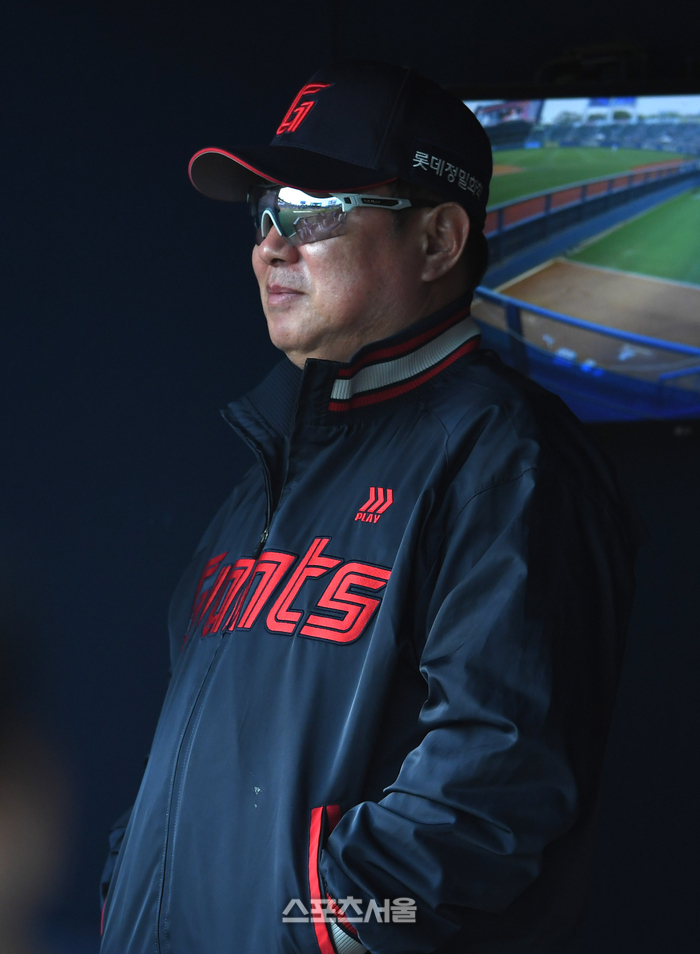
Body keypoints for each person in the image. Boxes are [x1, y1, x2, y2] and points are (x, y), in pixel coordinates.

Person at [99, 60, 639, 954]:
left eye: (311, 209)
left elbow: (494, 788)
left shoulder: (509, 458)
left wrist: (314, 932)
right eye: (263, 211)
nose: (271, 246)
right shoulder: (271, 464)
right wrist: (128, 900)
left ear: (437, 241)